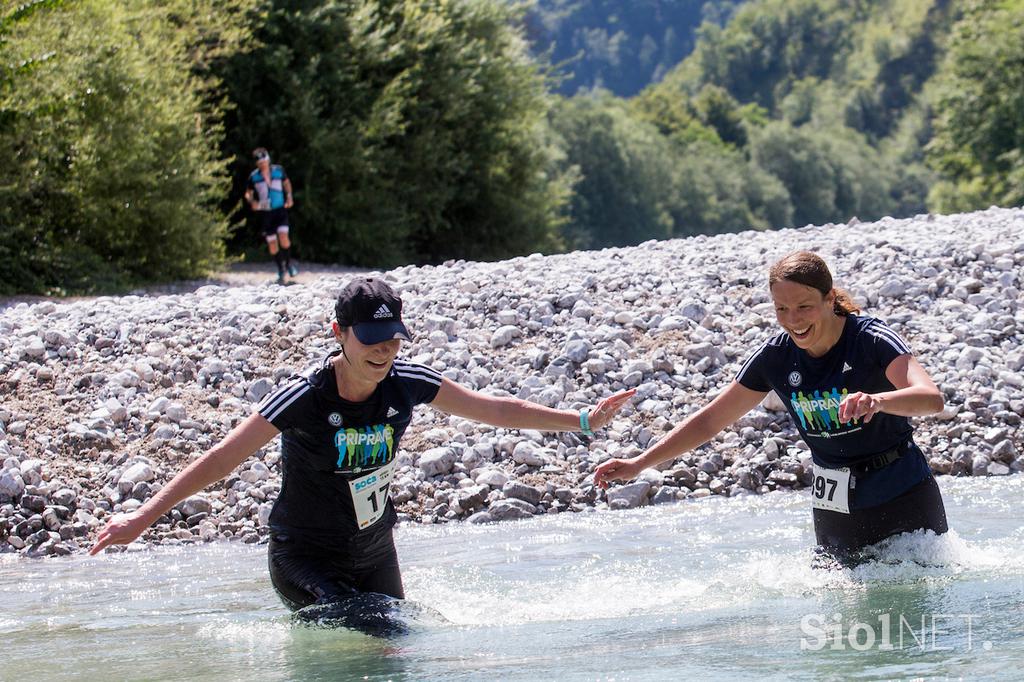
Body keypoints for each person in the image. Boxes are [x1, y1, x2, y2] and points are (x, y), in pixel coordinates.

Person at [91, 277, 635, 629]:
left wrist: (583, 420)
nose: (384, 350)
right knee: (374, 639)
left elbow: (496, 409)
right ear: (339, 333)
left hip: (376, 551)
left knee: (400, 645)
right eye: (372, 338)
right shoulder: (304, 397)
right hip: (304, 558)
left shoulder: (407, 382)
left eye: (394, 338)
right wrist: (142, 518)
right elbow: (221, 458)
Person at [595, 251, 948, 561]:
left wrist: (878, 400)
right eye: (782, 309)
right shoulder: (776, 357)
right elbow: (710, 422)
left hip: (903, 492)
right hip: (836, 504)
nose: (793, 320)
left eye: (804, 307)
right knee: (844, 621)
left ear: (829, 300)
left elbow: (931, 398)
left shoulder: (870, 340)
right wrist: (638, 464)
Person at [244, 147, 296, 285]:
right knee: (272, 244)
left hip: (280, 210)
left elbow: (286, 183)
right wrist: (252, 201)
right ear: (257, 164)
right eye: (260, 163)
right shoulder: (254, 176)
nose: (263, 164)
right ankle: (281, 270)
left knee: (284, 236)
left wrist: (289, 196)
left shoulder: (278, 170)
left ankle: (289, 264)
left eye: (265, 161)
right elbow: (248, 193)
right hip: (266, 213)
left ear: (268, 159)